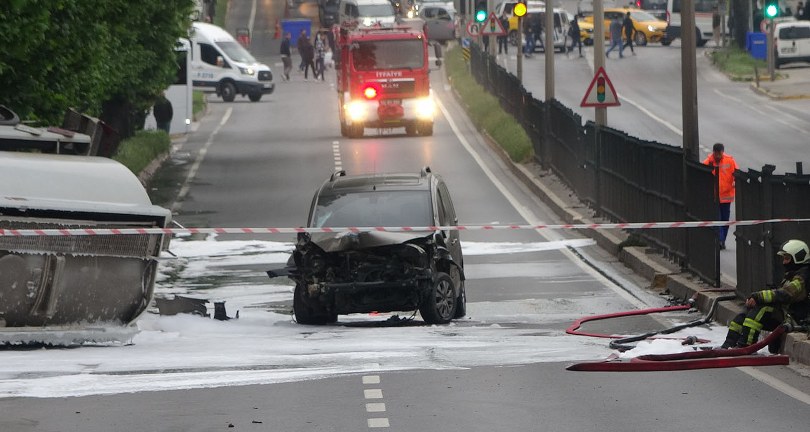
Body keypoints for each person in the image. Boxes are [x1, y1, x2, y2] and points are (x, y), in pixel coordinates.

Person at [721, 239, 810, 350]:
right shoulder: (794, 273)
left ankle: (745, 346)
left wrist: (759, 296)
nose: (784, 262)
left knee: (762, 310)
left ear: (798, 258)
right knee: (747, 310)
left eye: (787, 259)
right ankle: (729, 343)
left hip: (795, 318)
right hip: (786, 313)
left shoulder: (803, 277)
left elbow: (786, 294)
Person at [702, 143, 738, 250]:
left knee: (725, 220)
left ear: (722, 152)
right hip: (714, 197)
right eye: (716, 154)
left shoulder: (729, 161)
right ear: (714, 152)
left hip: (726, 196)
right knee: (717, 220)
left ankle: (722, 240)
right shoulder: (708, 162)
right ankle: (720, 240)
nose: (718, 156)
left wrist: (735, 183)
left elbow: (736, 173)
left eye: (720, 154)